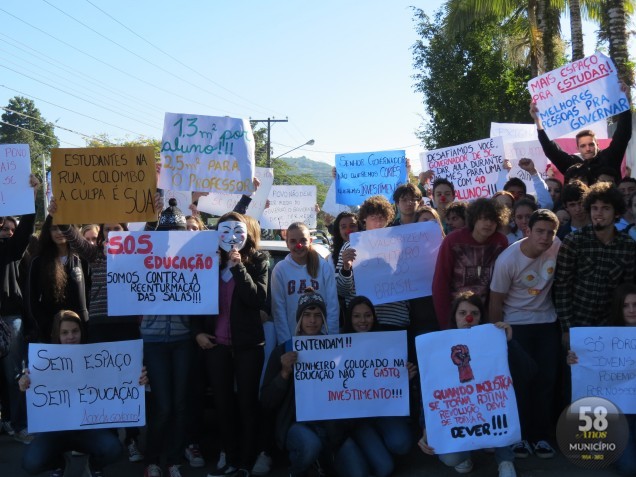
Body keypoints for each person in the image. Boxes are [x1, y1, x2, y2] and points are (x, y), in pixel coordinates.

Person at [19, 310, 147, 477]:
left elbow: (120, 381)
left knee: (113, 449)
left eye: (75, 331)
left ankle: (94, 465)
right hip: (55, 431)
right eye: (64, 332)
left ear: (82, 332)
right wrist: (24, 383)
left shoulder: (97, 358)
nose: (70, 336)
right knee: (31, 462)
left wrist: (138, 379)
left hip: (89, 430)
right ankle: (58, 464)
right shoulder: (43, 361)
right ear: (57, 334)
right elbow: (32, 393)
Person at [194, 212, 268, 477]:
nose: (232, 238)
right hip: (216, 346)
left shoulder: (258, 260)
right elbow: (191, 299)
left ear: (247, 233)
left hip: (248, 346)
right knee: (223, 405)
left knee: (247, 404)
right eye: (225, 232)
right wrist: (197, 333)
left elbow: (258, 298)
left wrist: (238, 268)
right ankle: (230, 454)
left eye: (237, 231)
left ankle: (246, 462)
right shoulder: (207, 261)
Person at [418, 292, 518, 477]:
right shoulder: (438, 348)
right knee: (450, 458)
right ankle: (465, 453)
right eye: (462, 313)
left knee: (503, 402)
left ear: (481, 317)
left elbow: (528, 372)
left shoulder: (495, 343)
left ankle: (505, 459)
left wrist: (509, 344)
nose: (468, 318)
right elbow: (431, 392)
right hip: (461, 413)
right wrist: (426, 427)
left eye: (474, 313)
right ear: (454, 317)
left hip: (490, 410)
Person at [489, 209, 561, 460]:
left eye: (551, 232)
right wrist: (496, 339)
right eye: (539, 231)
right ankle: (518, 437)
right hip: (516, 326)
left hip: (547, 324)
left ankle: (539, 436)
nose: (545, 237)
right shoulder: (508, 260)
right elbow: (495, 302)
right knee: (518, 384)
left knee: (545, 382)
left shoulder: (557, 246)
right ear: (527, 231)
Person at [261, 289, 347, 477]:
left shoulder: (336, 349)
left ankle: (318, 463)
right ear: (299, 318)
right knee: (311, 445)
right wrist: (283, 374)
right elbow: (266, 401)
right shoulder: (283, 351)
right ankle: (297, 470)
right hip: (294, 424)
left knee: (358, 470)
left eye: (317, 315)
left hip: (327, 424)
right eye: (307, 315)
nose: (312, 320)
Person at [141, 199, 195, 477]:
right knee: (162, 406)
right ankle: (152, 458)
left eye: (179, 232)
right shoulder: (143, 258)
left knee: (180, 403)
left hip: (183, 339)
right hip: (152, 341)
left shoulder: (195, 259)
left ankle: (173, 459)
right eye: (167, 233)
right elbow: (130, 251)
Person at [337, 296, 414, 477]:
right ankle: (362, 447)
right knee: (385, 468)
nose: (363, 321)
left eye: (367, 315)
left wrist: (405, 377)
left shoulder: (388, 341)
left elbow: (394, 380)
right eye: (356, 316)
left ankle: (378, 443)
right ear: (349, 318)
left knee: (402, 443)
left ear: (374, 316)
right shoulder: (338, 345)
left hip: (384, 410)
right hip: (358, 420)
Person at [554, 182, 636, 346]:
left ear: (616, 213)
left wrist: (624, 329)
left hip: (611, 328)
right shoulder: (574, 241)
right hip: (576, 324)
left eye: (605, 208)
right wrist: (567, 328)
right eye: (594, 208)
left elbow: (626, 291)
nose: (599, 213)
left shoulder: (628, 246)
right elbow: (562, 287)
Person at [567, 283, 636, 476]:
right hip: (621, 414)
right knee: (630, 467)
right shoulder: (604, 337)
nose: (631, 310)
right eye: (625, 305)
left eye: (635, 304)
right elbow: (589, 367)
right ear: (618, 308)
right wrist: (575, 360)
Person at [529, 82, 632, 185]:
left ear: (597, 145)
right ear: (577, 149)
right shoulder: (573, 165)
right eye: (583, 146)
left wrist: (625, 103)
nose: (588, 148)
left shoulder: (610, 157)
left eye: (591, 144)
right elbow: (551, 150)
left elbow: (623, 134)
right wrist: (539, 122)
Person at [0, 176, 39, 444]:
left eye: (9, 227)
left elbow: (25, 232)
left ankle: (19, 423)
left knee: (16, 374)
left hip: (9, 317)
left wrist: (30, 198)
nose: (5, 229)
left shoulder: (10, 250)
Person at [431, 198, 509, 329]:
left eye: (493, 220)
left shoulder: (501, 242)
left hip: (484, 317)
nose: (488, 224)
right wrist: (446, 324)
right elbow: (440, 282)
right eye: (484, 218)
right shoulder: (453, 240)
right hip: (455, 316)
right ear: (474, 219)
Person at [337, 196, 410, 331]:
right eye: (373, 218)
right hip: (361, 323)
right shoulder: (350, 246)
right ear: (364, 219)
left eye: (381, 218)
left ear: (388, 220)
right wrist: (346, 268)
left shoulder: (401, 244)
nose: (378, 222)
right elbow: (342, 290)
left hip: (395, 320)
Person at [271, 222, 339, 344]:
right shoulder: (280, 270)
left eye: (303, 240)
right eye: (293, 241)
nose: (299, 245)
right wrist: (286, 343)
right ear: (287, 244)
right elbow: (279, 310)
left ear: (311, 241)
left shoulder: (324, 267)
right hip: (293, 340)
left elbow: (332, 305)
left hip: (322, 339)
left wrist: (330, 338)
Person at [26, 216, 90, 344]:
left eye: (63, 228)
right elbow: (32, 300)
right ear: (48, 232)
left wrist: (85, 322)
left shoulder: (82, 258)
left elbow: (90, 291)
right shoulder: (38, 262)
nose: (59, 232)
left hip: (80, 330)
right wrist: (48, 326)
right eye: (54, 229)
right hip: (51, 333)